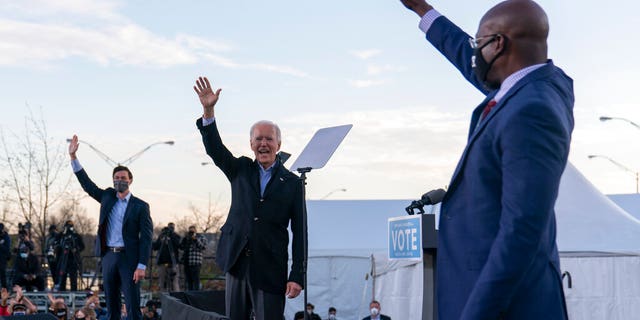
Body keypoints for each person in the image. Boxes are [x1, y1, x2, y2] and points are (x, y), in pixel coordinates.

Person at [398, 0, 573, 319]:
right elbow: (471, 61)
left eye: (479, 44)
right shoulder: (528, 89)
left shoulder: (532, 111)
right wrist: (422, 11)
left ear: (500, 44)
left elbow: (521, 231)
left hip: (506, 306)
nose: (474, 54)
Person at [193, 76, 305, 319]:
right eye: (258, 139)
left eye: (269, 139)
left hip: (270, 269)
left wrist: (297, 275)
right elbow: (215, 150)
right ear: (251, 144)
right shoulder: (240, 169)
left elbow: (300, 233)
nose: (263, 143)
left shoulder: (294, 184)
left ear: (278, 144)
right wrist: (208, 111)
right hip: (237, 264)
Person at [68, 135, 154, 320]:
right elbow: (88, 185)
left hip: (129, 259)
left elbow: (146, 238)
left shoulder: (140, 206)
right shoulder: (107, 196)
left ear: (130, 180)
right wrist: (73, 158)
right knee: (112, 306)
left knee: (132, 306)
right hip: (108, 257)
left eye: (123, 177)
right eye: (116, 178)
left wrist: (141, 265)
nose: (119, 180)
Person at [55, 220, 85, 291]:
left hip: (73, 260)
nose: (69, 228)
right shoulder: (61, 235)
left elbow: (82, 246)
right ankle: (62, 296)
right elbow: (56, 244)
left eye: (70, 226)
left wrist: (76, 249)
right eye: (67, 226)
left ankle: (73, 295)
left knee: (73, 279)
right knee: (62, 279)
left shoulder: (76, 236)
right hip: (63, 259)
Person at [152, 222, 181, 292]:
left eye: (172, 227)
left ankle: (177, 298)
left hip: (173, 263)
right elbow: (155, 247)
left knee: (174, 283)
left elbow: (179, 245)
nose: (170, 229)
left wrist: (171, 235)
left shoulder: (176, 236)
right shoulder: (162, 236)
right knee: (162, 282)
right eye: (169, 227)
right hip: (162, 262)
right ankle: (163, 299)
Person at [179, 225, 207, 291]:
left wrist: (195, 239)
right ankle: (189, 295)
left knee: (196, 280)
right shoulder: (187, 237)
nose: (191, 232)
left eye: (192, 230)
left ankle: (196, 295)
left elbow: (203, 247)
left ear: (195, 230)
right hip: (187, 262)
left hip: (196, 262)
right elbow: (181, 247)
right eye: (190, 230)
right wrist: (185, 239)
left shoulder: (201, 237)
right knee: (189, 281)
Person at [0, 223, 10, 289]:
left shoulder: (6, 237)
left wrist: (0, 245)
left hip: (2, 259)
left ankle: (5, 290)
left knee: (3, 275)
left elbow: (7, 249)